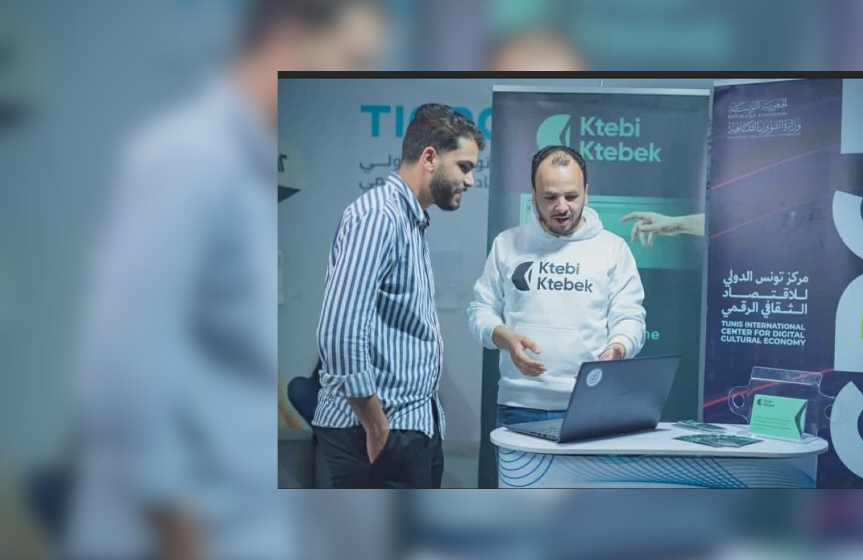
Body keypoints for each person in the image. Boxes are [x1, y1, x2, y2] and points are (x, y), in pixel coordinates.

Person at [66, 0, 388, 557]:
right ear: (288, 36)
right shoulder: (188, 157)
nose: (360, 76)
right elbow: (125, 363)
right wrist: (184, 535)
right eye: (354, 58)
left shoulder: (250, 171)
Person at [312, 103, 485, 489]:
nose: (470, 181)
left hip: (406, 426)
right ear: (429, 158)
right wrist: (377, 427)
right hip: (375, 433)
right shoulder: (379, 217)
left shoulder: (409, 219)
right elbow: (339, 333)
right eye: (464, 167)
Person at [468, 145, 646, 427]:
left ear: (586, 191)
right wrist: (504, 337)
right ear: (534, 195)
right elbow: (480, 311)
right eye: (550, 197)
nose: (561, 207)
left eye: (572, 196)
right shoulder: (507, 244)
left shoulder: (613, 248)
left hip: (592, 403)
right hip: (520, 404)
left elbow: (630, 318)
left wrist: (618, 349)